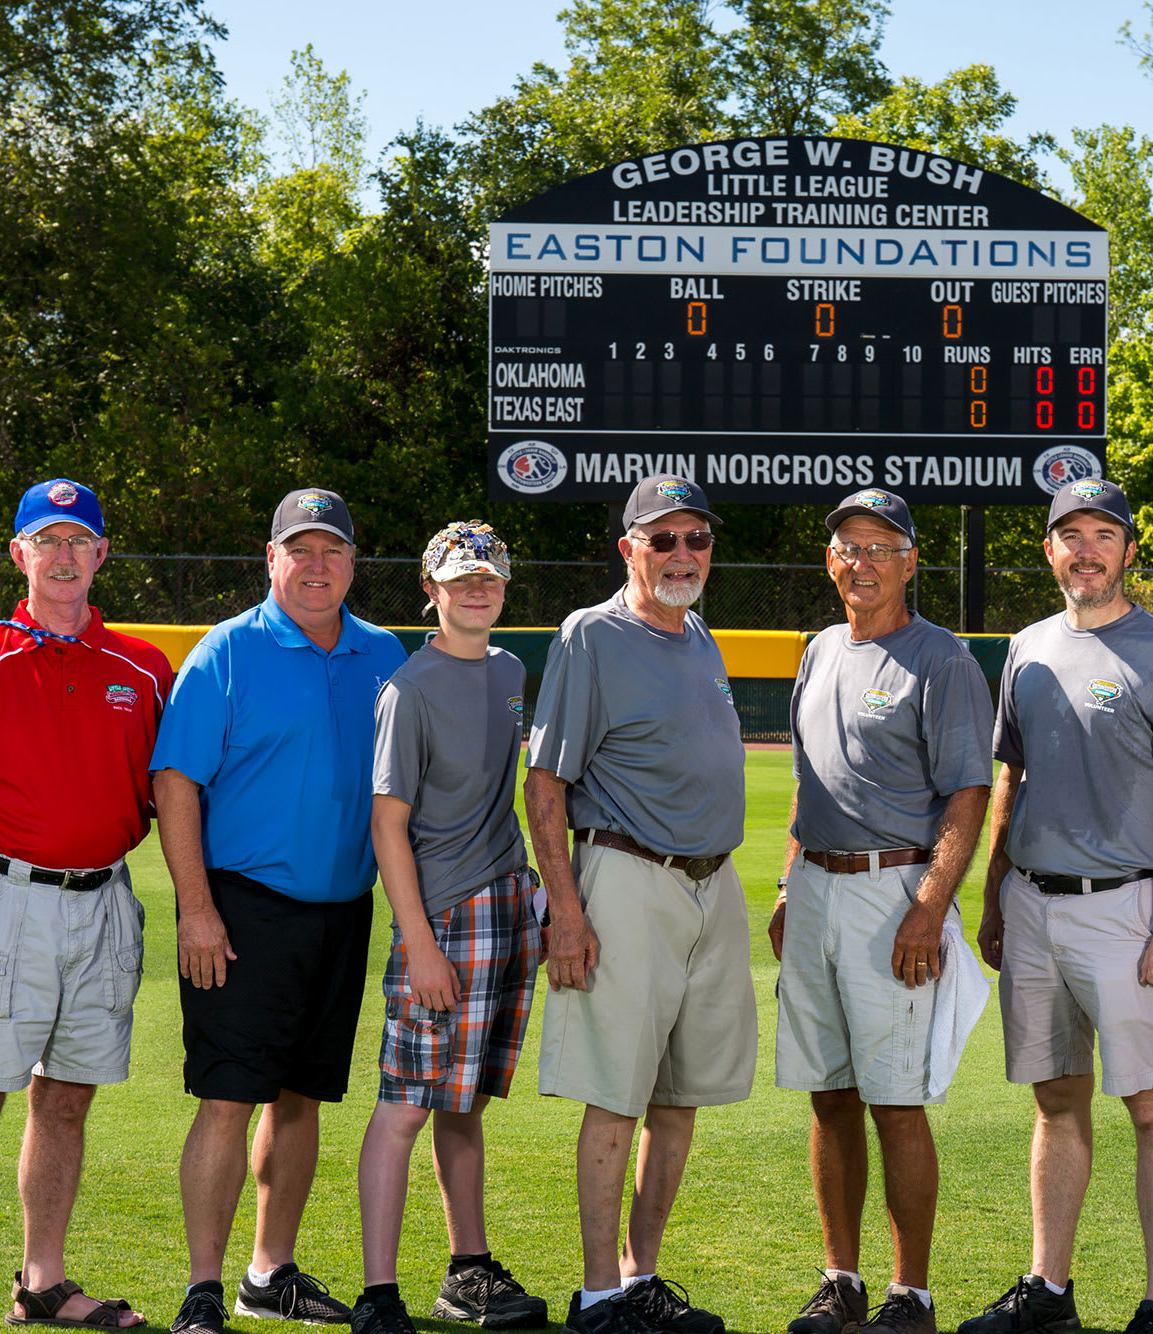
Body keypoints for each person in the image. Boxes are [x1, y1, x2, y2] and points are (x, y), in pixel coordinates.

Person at [0, 479, 171, 1334]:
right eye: (44, 541)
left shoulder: (144, 669)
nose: (62, 556)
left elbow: (171, 799)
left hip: (101, 905)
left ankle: (41, 1282)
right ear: (19, 554)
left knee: (66, 1100)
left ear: (100, 556)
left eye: (77, 541)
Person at [963, 479, 1153, 1334]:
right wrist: (996, 894)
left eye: (1102, 533)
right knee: (1056, 1100)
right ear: (1049, 550)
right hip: (1033, 903)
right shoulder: (1028, 647)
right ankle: (1050, 1290)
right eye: (1069, 533)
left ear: (1128, 550)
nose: (1085, 548)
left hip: (1128, 908)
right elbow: (1012, 775)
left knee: (1151, 1104)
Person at [151, 488, 407, 1334]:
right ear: (272, 559)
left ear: (353, 563)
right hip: (242, 909)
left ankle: (271, 1272)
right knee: (229, 1097)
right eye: (301, 550)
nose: (317, 565)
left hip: (343, 910)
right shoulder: (225, 651)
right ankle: (202, 1288)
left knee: (300, 1098)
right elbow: (176, 781)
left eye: (333, 550)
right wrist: (195, 908)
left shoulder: (384, 654)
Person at [524, 475, 756, 1334]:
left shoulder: (699, 635)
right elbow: (545, 781)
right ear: (629, 549)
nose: (683, 554)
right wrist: (568, 911)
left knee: (679, 1095)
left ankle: (639, 1275)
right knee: (615, 1093)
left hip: (709, 882)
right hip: (624, 876)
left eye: (696, 538)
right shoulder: (592, 634)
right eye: (662, 540)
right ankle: (594, 1297)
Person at [768, 488, 995, 1334]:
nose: (859, 561)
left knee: (894, 1100)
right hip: (820, 887)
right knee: (828, 1095)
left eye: (878, 547)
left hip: (895, 890)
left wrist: (929, 907)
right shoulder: (820, 649)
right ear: (831, 561)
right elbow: (807, 780)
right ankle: (843, 1281)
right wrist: (791, 885)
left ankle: (912, 1294)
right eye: (847, 547)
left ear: (909, 561)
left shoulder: (942, 659)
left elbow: (968, 793)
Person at [350, 521, 549, 1334]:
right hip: (442, 918)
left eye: (490, 579)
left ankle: (468, 1270)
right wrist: (421, 943)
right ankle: (378, 1293)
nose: (477, 590)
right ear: (429, 590)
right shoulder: (411, 686)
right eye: (459, 579)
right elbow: (386, 824)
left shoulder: (511, 669)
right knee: (406, 1105)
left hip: (506, 902)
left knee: (463, 1104)